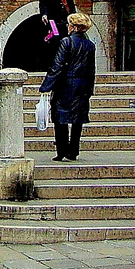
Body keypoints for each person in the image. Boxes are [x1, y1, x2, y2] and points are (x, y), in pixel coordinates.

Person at [39, 12, 96, 162]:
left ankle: (62, 151)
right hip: (82, 86)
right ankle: (73, 151)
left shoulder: (66, 42)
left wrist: (46, 86)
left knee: (60, 118)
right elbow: (92, 70)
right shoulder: (90, 45)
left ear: (75, 27)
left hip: (65, 86)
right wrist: (90, 89)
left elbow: (57, 65)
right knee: (77, 120)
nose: (67, 26)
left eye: (69, 24)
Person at [39, 0, 77, 67]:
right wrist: (44, 14)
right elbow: (43, 2)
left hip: (65, 17)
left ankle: (65, 61)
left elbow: (70, 2)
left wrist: (73, 16)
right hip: (53, 18)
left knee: (66, 38)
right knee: (55, 38)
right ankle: (54, 62)